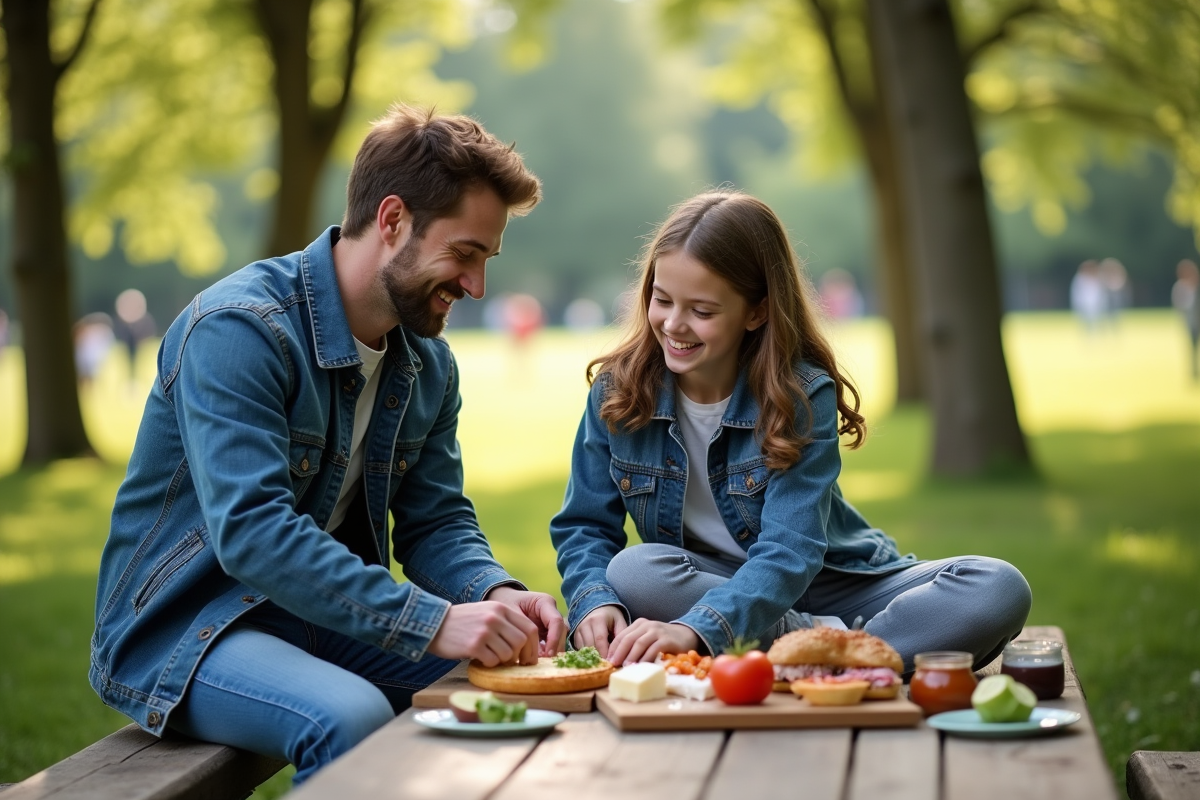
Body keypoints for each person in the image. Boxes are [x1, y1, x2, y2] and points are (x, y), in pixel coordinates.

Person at [90, 104, 567, 786]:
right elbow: (253, 534)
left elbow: (435, 521)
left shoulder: (428, 365)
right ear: (394, 219)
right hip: (187, 630)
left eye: (485, 259)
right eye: (465, 253)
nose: (476, 285)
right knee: (348, 718)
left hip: (319, 615)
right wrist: (428, 621)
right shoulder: (240, 330)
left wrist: (495, 591)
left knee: (520, 685)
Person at [550, 190, 1031, 674]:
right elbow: (585, 526)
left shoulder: (799, 394)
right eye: (662, 299)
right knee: (634, 571)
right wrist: (593, 602)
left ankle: (810, 649)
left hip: (834, 581)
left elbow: (791, 550)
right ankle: (836, 649)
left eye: (702, 311)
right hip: (709, 583)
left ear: (757, 312)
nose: (674, 324)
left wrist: (697, 629)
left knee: (998, 585)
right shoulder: (618, 391)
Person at [1172, 258, 1200, 380]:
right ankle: (1193, 371)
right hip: (1191, 323)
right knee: (1192, 348)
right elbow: (1180, 305)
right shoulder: (1180, 287)